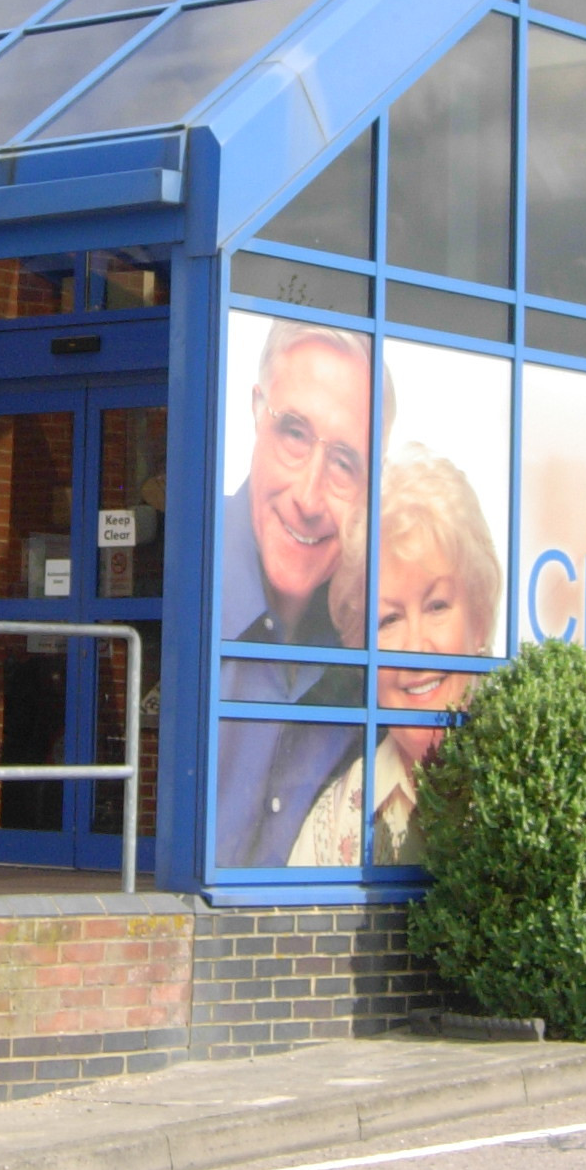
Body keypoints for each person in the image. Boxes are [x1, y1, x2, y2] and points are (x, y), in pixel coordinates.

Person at [211, 318, 380, 867]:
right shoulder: (190, 586)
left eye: (343, 463)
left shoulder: (369, 645)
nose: (309, 497)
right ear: (257, 412)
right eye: (295, 434)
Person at [287, 445, 501, 870]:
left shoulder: (534, 783)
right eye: (389, 619)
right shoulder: (333, 825)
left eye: (437, 606)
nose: (415, 649)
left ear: (478, 620)